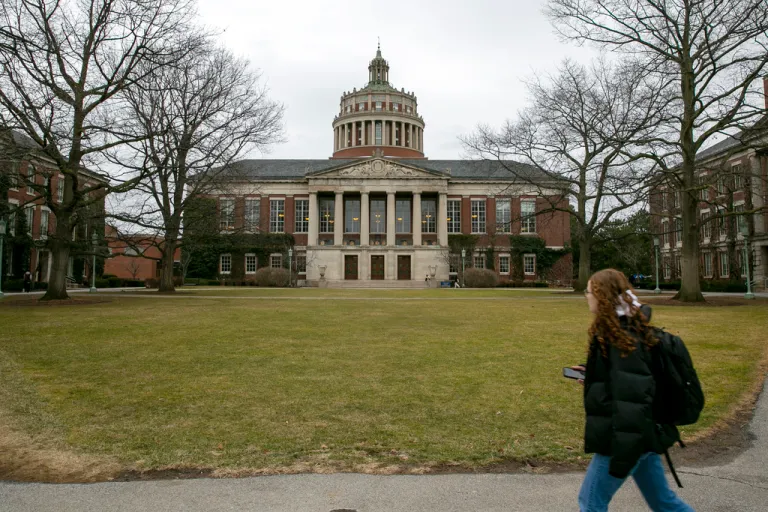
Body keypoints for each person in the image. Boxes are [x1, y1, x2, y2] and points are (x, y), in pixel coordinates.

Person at [571, 269, 694, 512]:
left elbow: (633, 400)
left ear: (602, 296)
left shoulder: (621, 340)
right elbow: (627, 380)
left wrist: (622, 454)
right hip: (644, 437)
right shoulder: (624, 330)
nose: (586, 296)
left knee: (591, 501)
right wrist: (592, 373)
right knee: (664, 503)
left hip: (625, 440)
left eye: (589, 291)